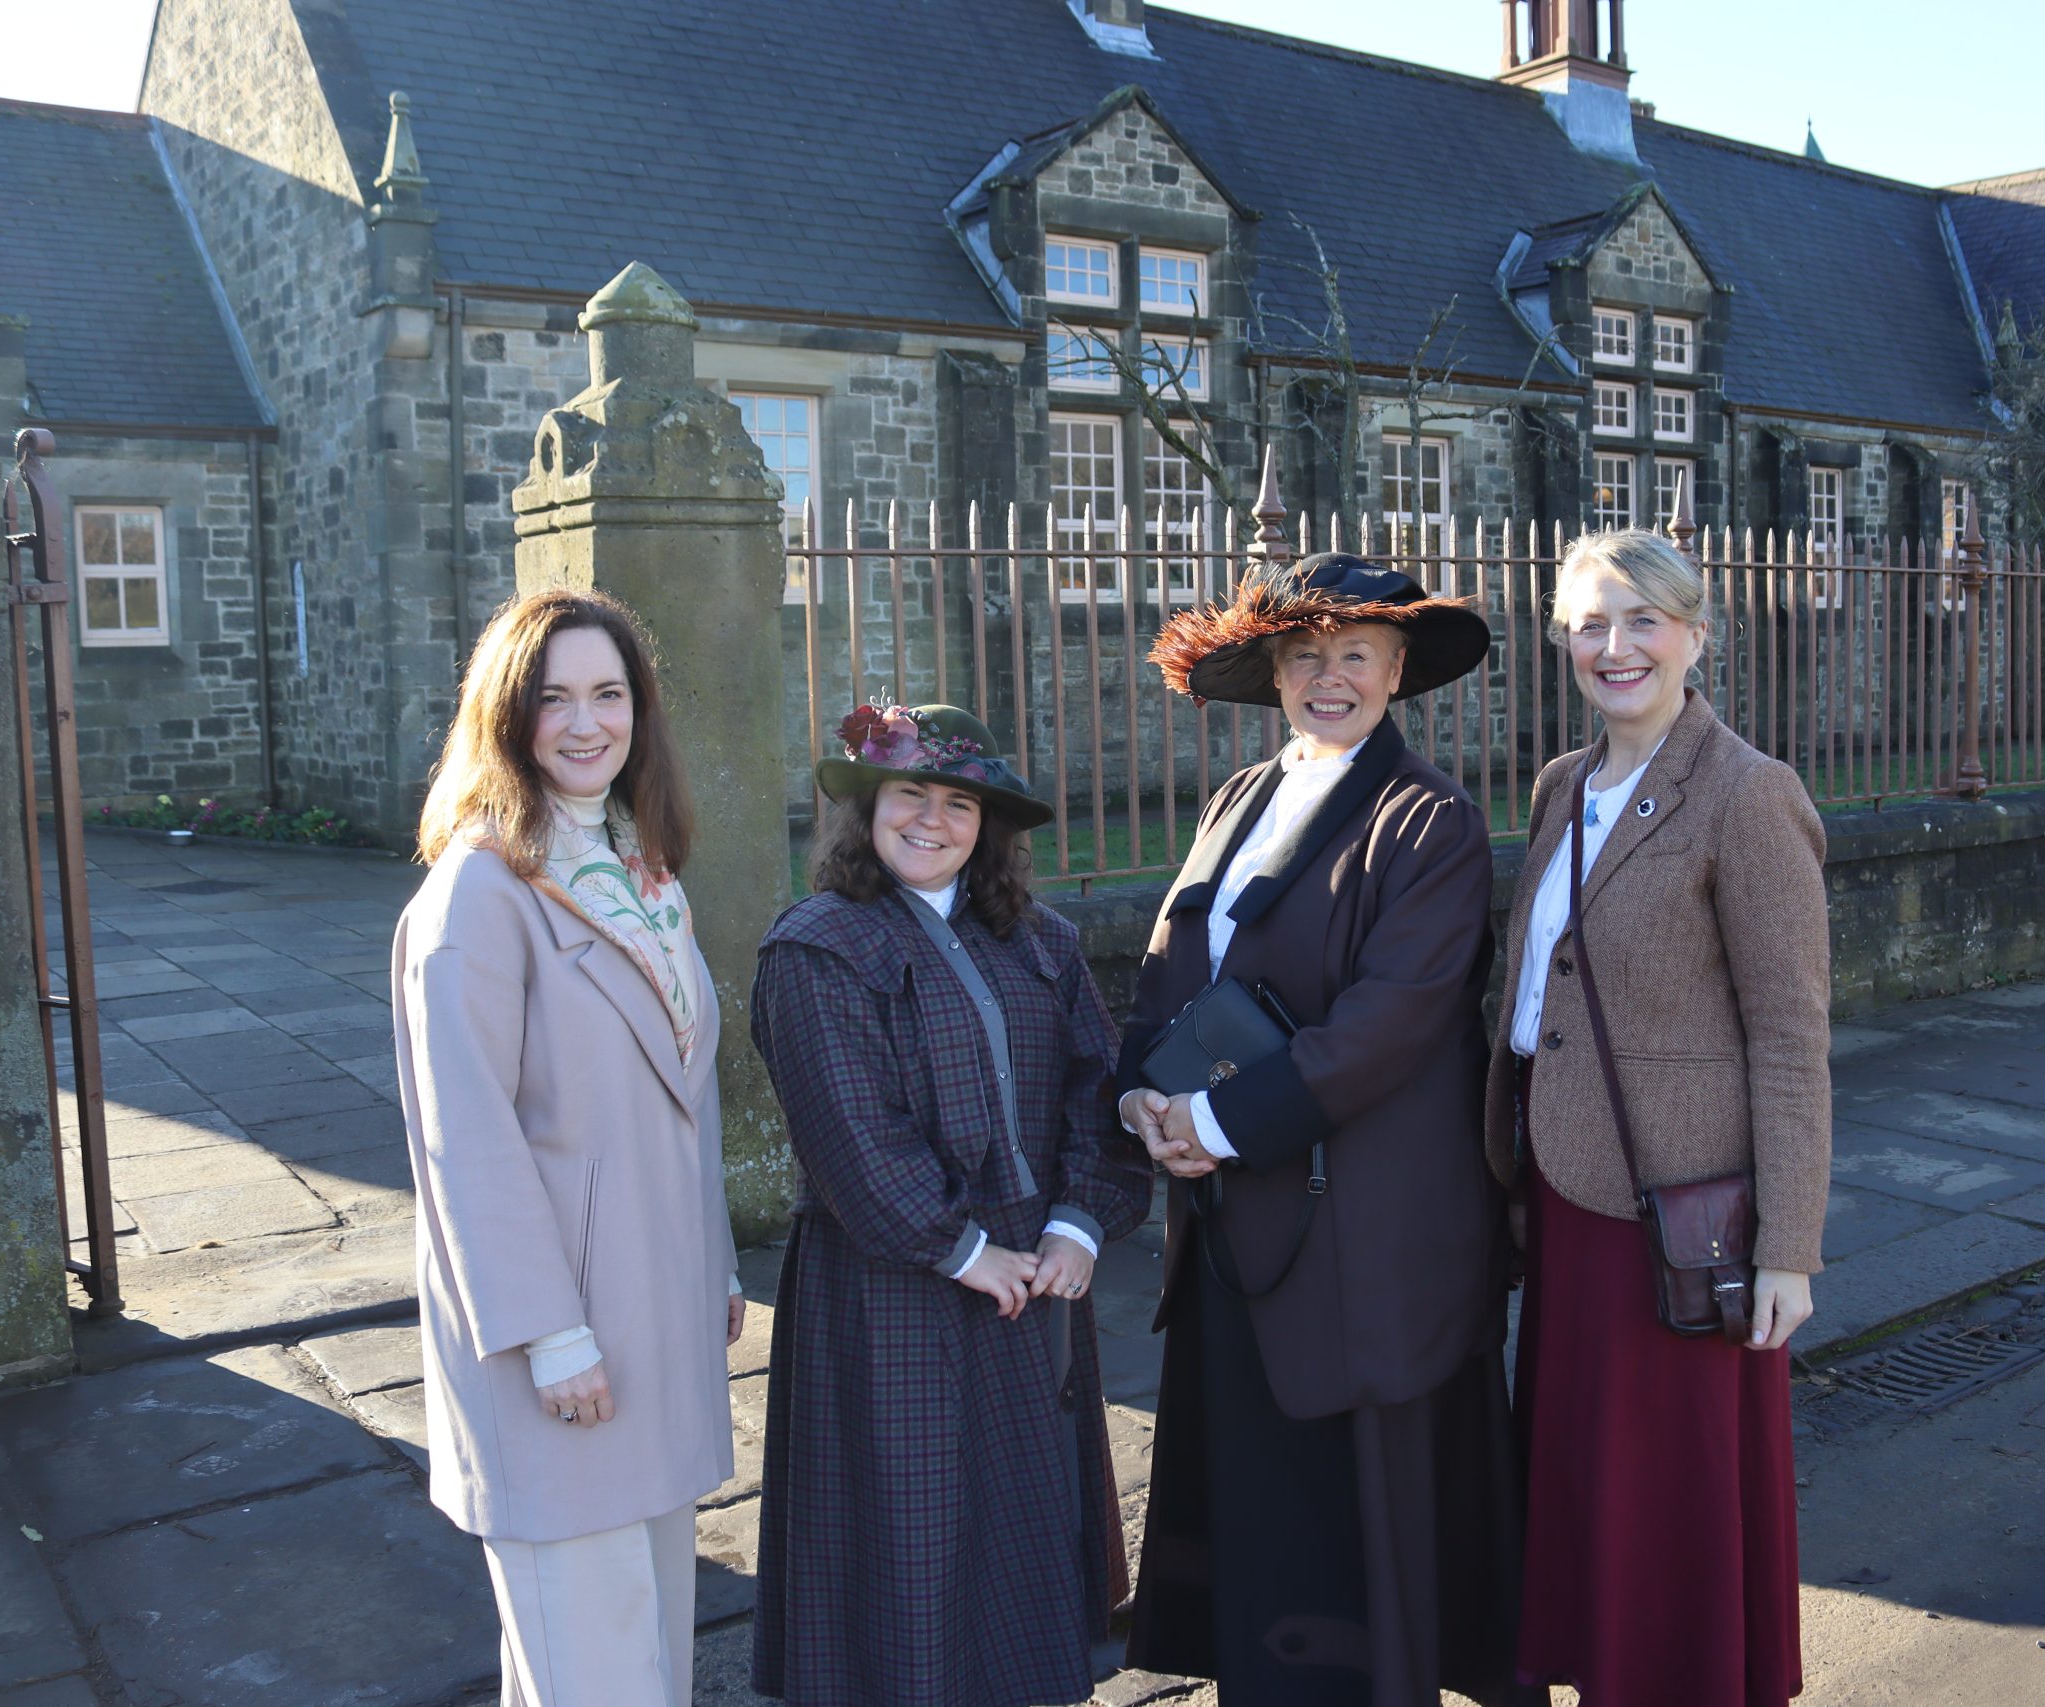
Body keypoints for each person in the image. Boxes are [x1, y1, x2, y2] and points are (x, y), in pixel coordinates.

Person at [1121, 552, 1538, 1707]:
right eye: (1305, 655)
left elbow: (1391, 1024)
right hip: (1228, 1223)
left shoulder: (1430, 821)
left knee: (1349, 1532)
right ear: (1274, 671)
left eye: (1354, 654)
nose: (1328, 678)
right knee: (1259, 1510)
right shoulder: (1235, 801)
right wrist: (1138, 1097)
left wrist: (1211, 1120)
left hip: (1360, 1241)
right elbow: (1169, 973)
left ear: (1397, 670)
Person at [746, 701, 1152, 1707]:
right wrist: (959, 1246)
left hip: (1033, 1278)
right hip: (891, 1283)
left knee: (1018, 1523)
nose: (932, 820)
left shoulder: (1038, 941)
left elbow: (1096, 1090)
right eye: (910, 795)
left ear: (989, 826)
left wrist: (1077, 1224)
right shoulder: (820, 947)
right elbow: (849, 1132)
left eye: (958, 803)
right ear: (866, 809)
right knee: (909, 1535)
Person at [1488, 528, 1831, 1707]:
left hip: (1683, 1221)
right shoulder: (1559, 786)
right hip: (1566, 1197)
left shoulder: (1748, 792)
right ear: (1561, 642)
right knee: (1587, 1489)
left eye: (1642, 620)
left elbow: (1791, 1038)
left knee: (1670, 1501)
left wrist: (1788, 1248)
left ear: (1695, 632)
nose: (1615, 646)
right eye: (1590, 622)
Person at [394, 587, 740, 1707]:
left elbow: (684, 1097)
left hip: (650, 1313)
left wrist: (719, 1258)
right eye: (553, 699)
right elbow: (466, 1145)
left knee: (643, 1661)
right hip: (563, 1343)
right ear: (506, 717)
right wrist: (548, 1338)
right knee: (594, 1673)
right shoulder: (479, 894)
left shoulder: (642, 870)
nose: (586, 723)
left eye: (608, 693)